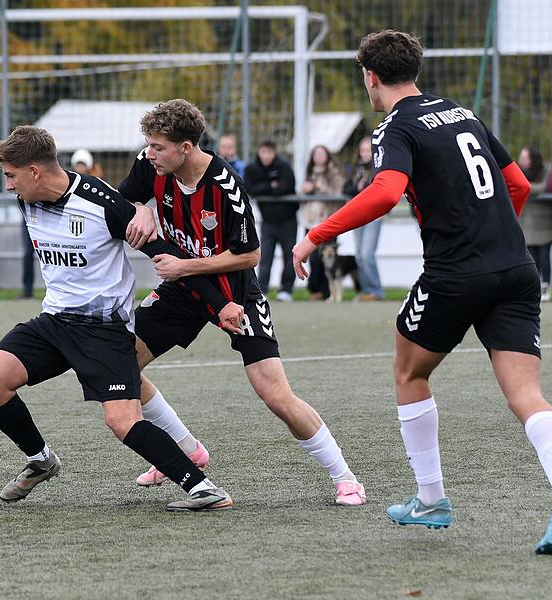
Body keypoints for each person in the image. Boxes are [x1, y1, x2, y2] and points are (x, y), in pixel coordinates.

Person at [292, 29, 552, 554]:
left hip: (456, 272)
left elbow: (386, 191)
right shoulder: (461, 112)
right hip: (515, 267)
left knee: (409, 370)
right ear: (415, 69)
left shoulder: (395, 125)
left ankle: (431, 500)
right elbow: (519, 186)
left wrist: (315, 235)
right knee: (527, 396)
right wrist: (495, 241)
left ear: (370, 76)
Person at [0, 125, 243, 511]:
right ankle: (41, 459)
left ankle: (203, 488)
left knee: (121, 421)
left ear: (34, 171)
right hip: (54, 323)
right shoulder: (27, 198)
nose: (7, 186)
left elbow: (165, 253)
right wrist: (141, 207)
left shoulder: (100, 203)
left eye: (10, 176)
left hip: (104, 330)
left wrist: (218, 303)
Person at [119, 99, 367, 506]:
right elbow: (119, 201)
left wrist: (187, 266)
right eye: (147, 144)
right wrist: (138, 209)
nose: (149, 153)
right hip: (183, 290)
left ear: (186, 146)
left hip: (235, 292)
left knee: (274, 394)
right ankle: (184, 449)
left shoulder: (225, 184)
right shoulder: (150, 167)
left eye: (158, 146)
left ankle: (345, 477)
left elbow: (251, 255)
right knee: (122, 363)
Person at [243, 139, 297, 301]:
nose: (266, 156)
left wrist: (265, 188)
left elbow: (287, 186)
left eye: (269, 152)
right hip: (268, 221)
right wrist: (270, 186)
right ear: (259, 152)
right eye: (263, 152)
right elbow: (249, 188)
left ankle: (286, 290)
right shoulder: (252, 168)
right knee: (265, 255)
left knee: (290, 255)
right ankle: (262, 290)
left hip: (288, 219)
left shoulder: (284, 166)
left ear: (274, 152)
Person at [299, 145, 346, 300]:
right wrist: (304, 190)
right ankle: (316, 290)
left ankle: (328, 292)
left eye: (321, 154)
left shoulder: (335, 174)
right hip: (310, 222)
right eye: (316, 154)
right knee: (312, 257)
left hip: (328, 221)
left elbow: (339, 195)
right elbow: (301, 194)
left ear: (327, 156)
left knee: (328, 258)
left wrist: (323, 188)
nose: (318, 157)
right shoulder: (309, 173)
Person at [343, 136, 385, 301]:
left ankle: (376, 291)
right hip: (358, 214)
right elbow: (347, 188)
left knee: (367, 254)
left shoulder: (379, 167)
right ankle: (367, 290)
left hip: (374, 215)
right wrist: (357, 188)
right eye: (363, 150)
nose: (365, 153)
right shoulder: (355, 170)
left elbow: (376, 190)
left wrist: (361, 189)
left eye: (368, 150)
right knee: (360, 255)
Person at [517, 147, 552, 302]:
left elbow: (544, 187)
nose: (522, 161)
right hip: (527, 223)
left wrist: (525, 187)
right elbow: (516, 184)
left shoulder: (546, 170)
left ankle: (546, 287)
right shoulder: (518, 171)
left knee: (544, 258)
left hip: (544, 223)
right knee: (531, 259)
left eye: (525, 157)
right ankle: (535, 287)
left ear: (533, 158)